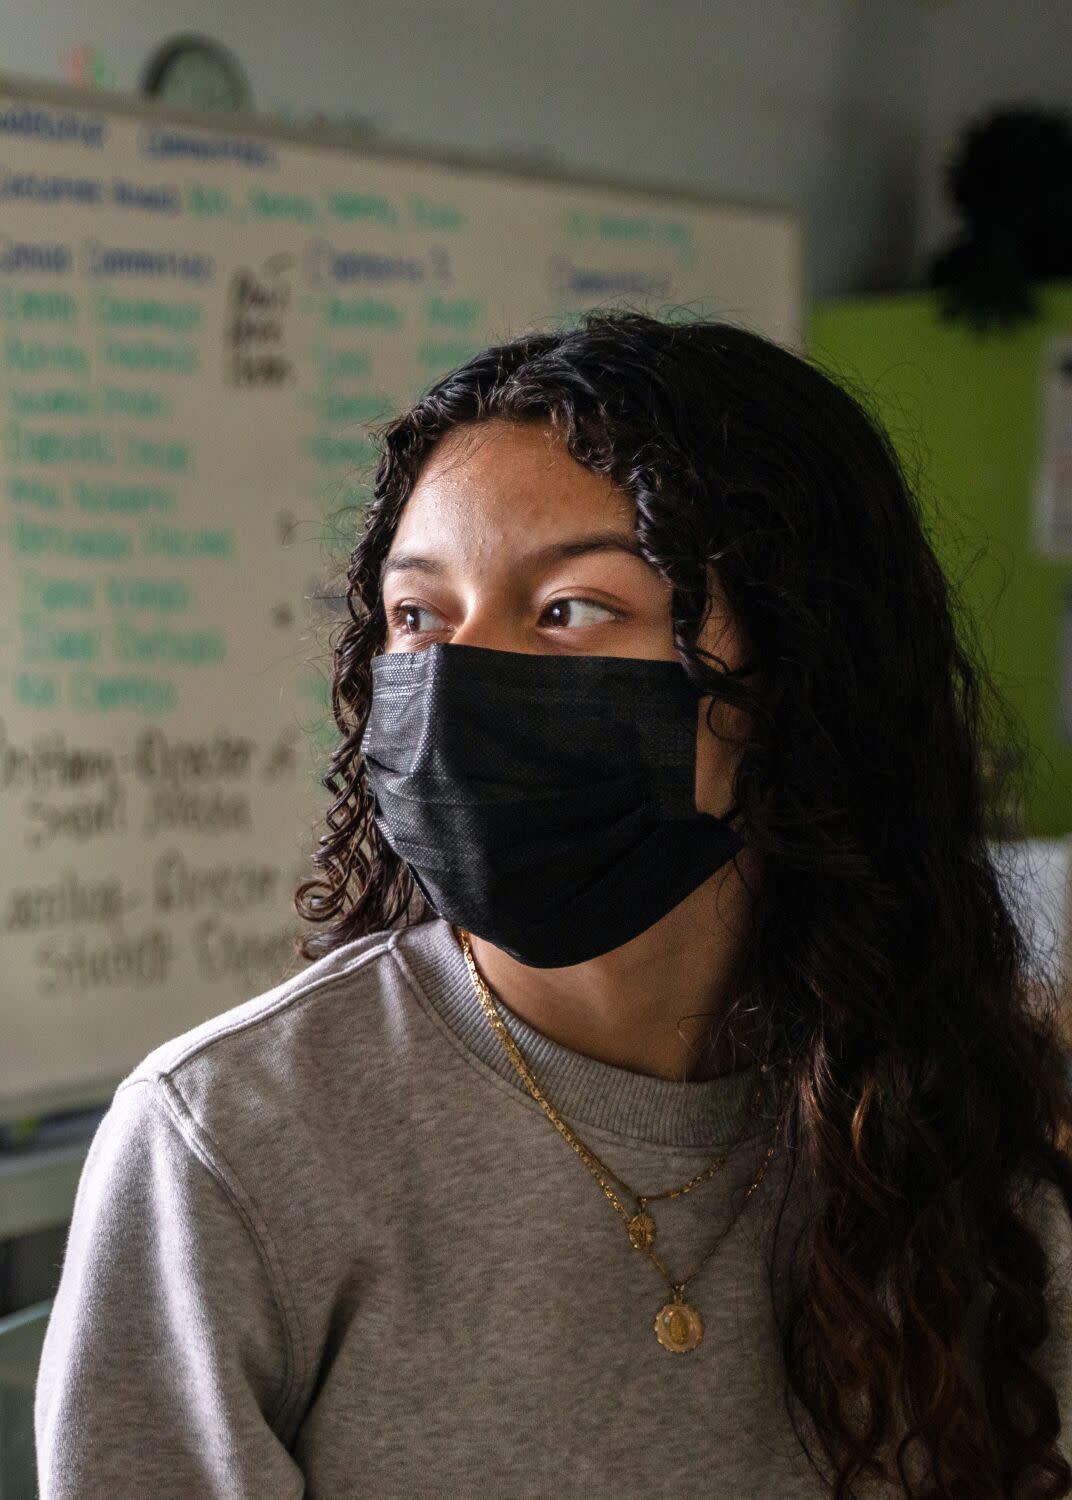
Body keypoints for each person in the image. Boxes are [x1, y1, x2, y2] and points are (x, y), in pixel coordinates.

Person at [35, 309, 1072, 1497]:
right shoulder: (232, 1144)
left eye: (573, 609)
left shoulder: (955, 1134)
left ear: (796, 672)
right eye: (419, 618)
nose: (464, 681)